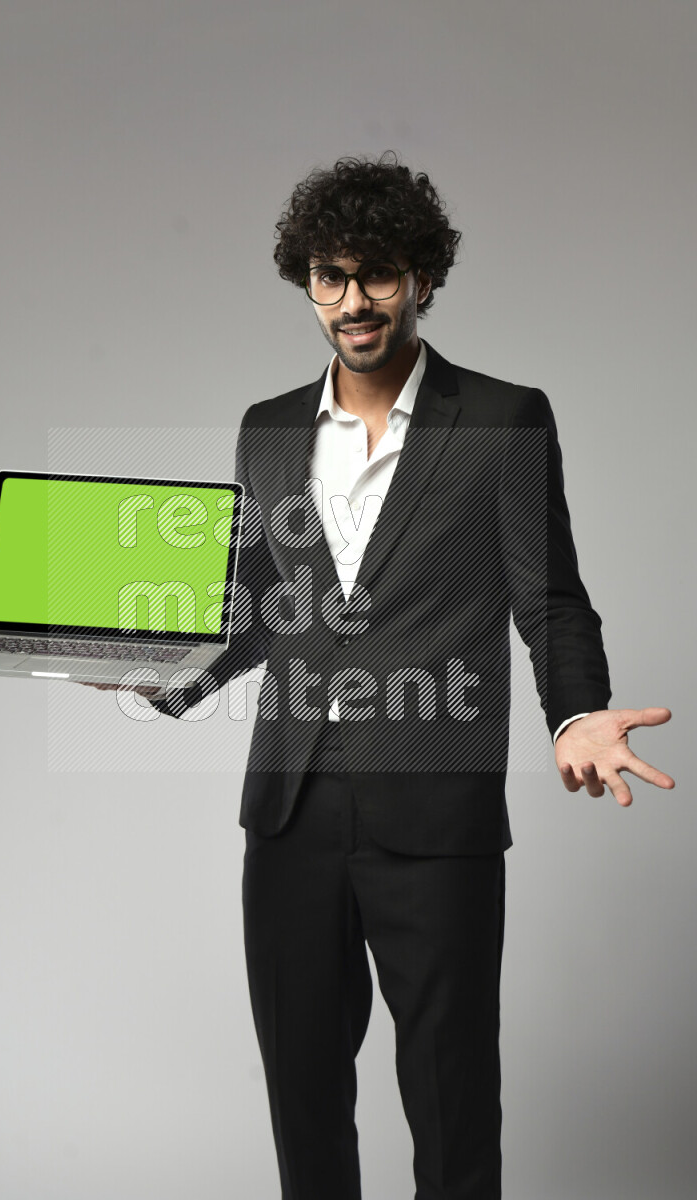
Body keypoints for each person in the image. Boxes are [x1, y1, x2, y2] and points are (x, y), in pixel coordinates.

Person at [84, 152, 674, 1200]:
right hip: (288, 810)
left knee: (450, 1097)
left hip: (434, 811)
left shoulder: (501, 417)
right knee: (302, 1096)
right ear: (304, 282)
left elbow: (548, 598)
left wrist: (573, 712)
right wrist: (158, 674)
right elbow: (266, 607)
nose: (351, 301)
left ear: (421, 278)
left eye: (377, 274)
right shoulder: (266, 428)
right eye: (328, 275)